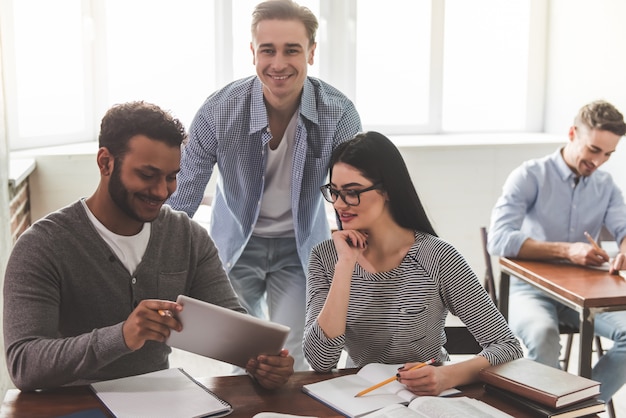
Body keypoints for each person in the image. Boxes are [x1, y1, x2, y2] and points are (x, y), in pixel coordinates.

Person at [3, 101, 294, 392]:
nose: (161, 191)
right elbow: (24, 365)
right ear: (105, 162)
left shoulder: (187, 237)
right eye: (147, 175)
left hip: (158, 402)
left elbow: (236, 331)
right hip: (74, 404)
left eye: (171, 177)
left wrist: (263, 363)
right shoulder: (42, 245)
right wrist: (121, 336)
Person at [166, 0, 361, 371]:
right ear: (253, 52)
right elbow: (183, 198)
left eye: (292, 50)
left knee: (295, 357)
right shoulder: (218, 111)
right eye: (268, 50)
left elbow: (352, 197)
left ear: (312, 53)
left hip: (301, 246)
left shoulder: (339, 113)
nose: (278, 63)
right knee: (243, 356)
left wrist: (356, 268)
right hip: (236, 244)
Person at [303, 131, 522, 395]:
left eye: (352, 193)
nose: (339, 204)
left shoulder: (438, 257)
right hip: (361, 398)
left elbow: (508, 347)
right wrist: (345, 266)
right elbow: (320, 360)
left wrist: (445, 376)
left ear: (387, 190)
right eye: (334, 192)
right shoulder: (327, 258)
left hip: (429, 399)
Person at [487, 99, 626, 402]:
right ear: (573, 133)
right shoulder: (531, 175)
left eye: (608, 154)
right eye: (594, 150)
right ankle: (554, 407)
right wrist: (567, 250)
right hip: (528, 289)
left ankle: (579, 407)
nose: (599, 161)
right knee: (542, 335)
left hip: (583, 292)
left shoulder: (606, 186)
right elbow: (497, 239)